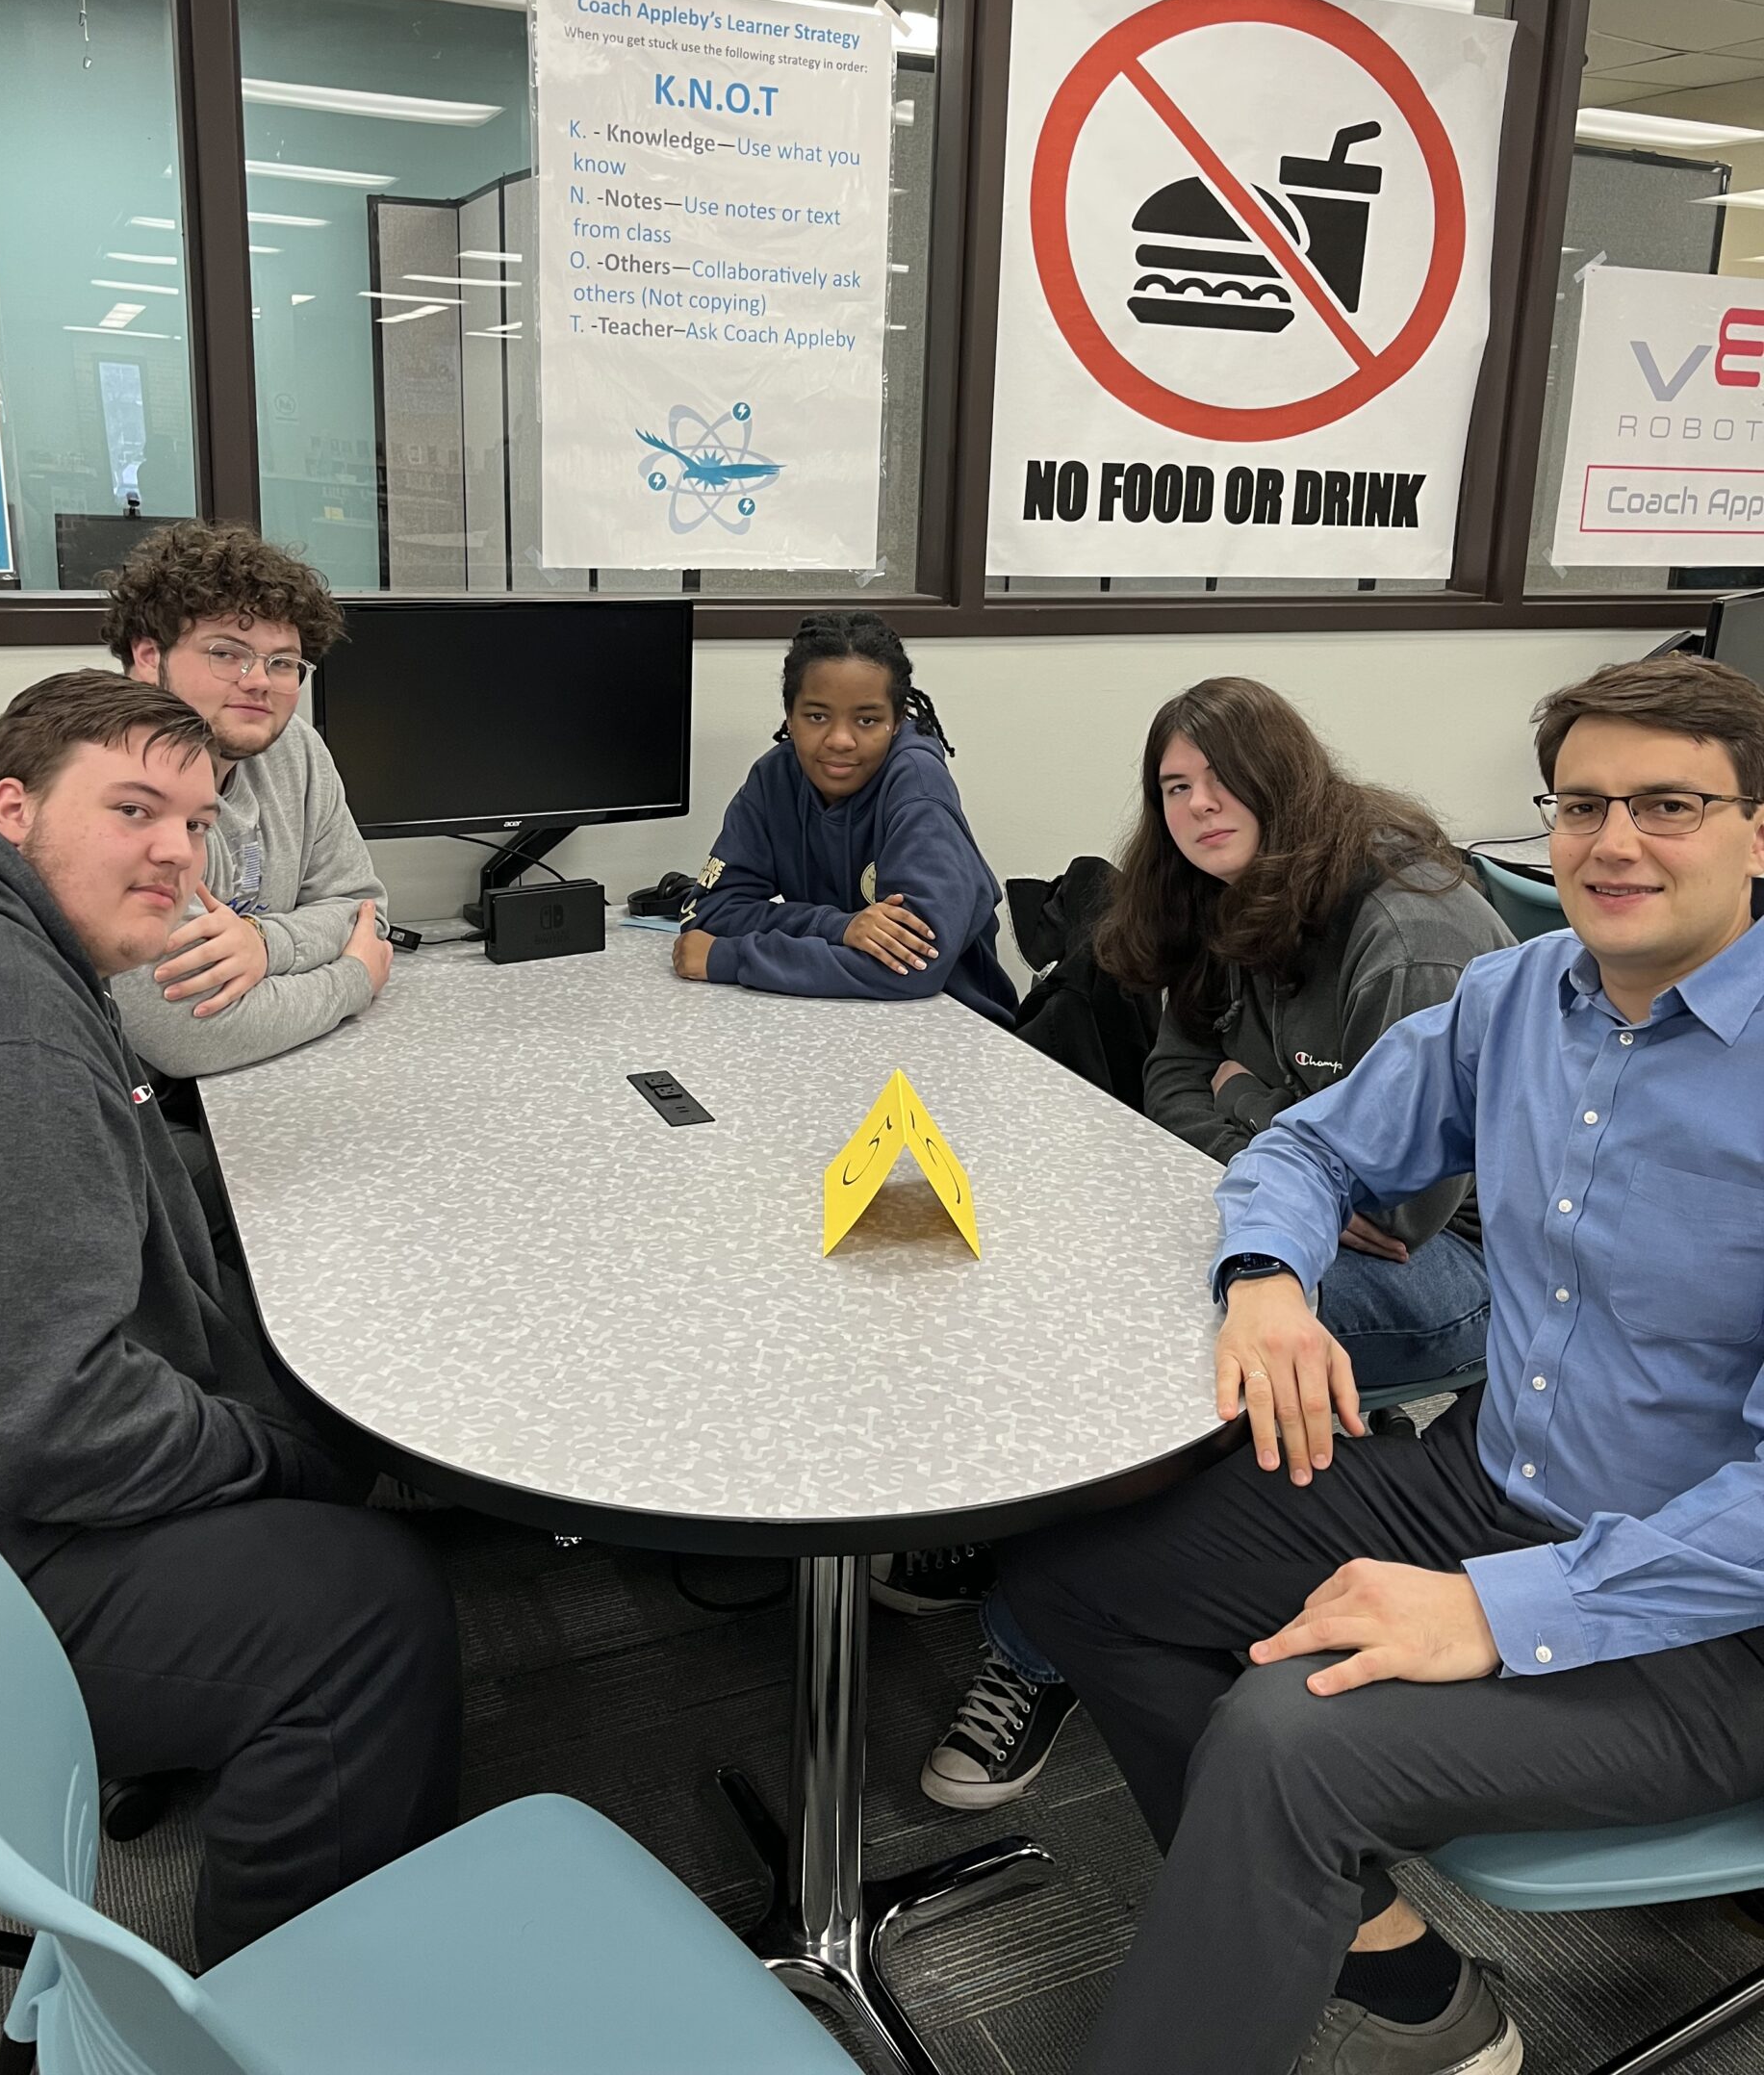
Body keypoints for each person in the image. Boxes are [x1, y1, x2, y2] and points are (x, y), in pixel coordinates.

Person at [997, 653, 1764, 2075]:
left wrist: (1507, 1609)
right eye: (1582, 804)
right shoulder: (1520, 995)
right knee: (1070, 1583)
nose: (1612, 842)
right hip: (1492, 1478)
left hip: (1711, 1619)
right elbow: (1313, 1142)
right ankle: (1402, 1981)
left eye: (1670, 803)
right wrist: (1270, 1280)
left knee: (1289, 1742)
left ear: (1756, 828)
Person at [0, 671, 458, 1966]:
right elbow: (57, 1423)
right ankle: (283, 2020)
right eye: (134, 810)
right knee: (367, 1612)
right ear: (11, 806)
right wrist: (272, 1452)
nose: (178, 852)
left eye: (200, 821)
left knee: (304, 1370)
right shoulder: (1, 1023)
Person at [910, 678, 1511, 1814]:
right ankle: (1018, 1533)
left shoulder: (1406, 932)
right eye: (1174, 786)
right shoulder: (1233, 889)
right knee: (1055, 1259)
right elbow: (1171, 1076)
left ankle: (1035, 1647)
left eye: (1221, 778)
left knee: (1145, 1338)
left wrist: (1257, 1120)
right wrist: (1267, 1130)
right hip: (1283, 1210)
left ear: (1286, 777)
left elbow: (1398, 1211)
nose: (1197, 805)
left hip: (1461, 1269)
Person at [103, 518, 391, 1078]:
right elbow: (188, 1033)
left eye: (282, 662)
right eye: (227, 653)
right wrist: (354, 977)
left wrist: (263, 943)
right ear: (146, 656)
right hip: (141, 1110)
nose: (259, 681)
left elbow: (365, 913)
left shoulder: (295, 749)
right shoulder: (110, 778)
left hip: (267, 1074)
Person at [671, 610, 1017, 1026]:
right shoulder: (774, 777)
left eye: (867, 720)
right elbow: (707, 914)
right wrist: (838, 927)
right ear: (789, 715)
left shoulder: (919, 788)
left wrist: (731, 958)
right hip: (834, 1017)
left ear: (896, 721)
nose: (839, 740)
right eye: (817, 716)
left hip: (953, 1028)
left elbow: (912, 969)